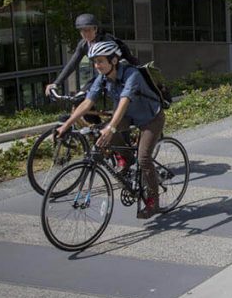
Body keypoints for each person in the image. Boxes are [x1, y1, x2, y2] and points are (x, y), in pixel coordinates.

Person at [55, 41, 166, 219]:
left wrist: (112, 127)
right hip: (128, 117)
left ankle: (153, 201)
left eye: (100, 61)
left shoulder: (132, 74)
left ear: (114, 60)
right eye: (94, 62)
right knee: (102, 131)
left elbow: (124, 102)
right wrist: (66, 125)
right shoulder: (103, 78)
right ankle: (127, 159)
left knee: (144, 158)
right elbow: (87, 103)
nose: (96, 65)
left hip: (151, 118)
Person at [45, 13, 137, 97]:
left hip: (120, 77)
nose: (86, 34)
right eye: (82, 31)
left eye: (88, 30)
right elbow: (72, 64)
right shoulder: (83, 44)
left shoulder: (106, 42)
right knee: (79, 98)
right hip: (101, 77)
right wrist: (56, 83)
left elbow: (117, 64)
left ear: (95, 29)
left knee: (87, 96)